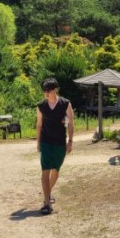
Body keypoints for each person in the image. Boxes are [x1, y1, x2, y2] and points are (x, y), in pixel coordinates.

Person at [36, 77, 74, 215]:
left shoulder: (65, 104)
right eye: (44, 91)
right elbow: (39, 124)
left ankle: (48, 193)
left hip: (59, 142)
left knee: (56, 170)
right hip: (46, 142)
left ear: (55, 90)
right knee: (45, 170)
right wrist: (38, 142)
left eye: (48, 90)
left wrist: (70, 141)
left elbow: (70, 123)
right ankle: (47, 203)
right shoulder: (41, 106)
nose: (46, 93)